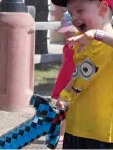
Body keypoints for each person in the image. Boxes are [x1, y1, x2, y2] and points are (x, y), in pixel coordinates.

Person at [51, 0, 113, 149]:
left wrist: (98, 34)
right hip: (74, 127)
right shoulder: (81, 45)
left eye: (80, 10)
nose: (75, 18)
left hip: (101, 132)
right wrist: (65, 94)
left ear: (103, 8)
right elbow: (80, 75)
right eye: (71, 13)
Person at [50, 11, 76, 144]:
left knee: (68, 108)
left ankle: (64, 133)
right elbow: (63, 63)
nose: (66, 34)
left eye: (69, 32)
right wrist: (58, 80)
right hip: (64, 79)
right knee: (60, 107)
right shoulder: (66, 47)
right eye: (65, 32)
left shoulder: (80, 47)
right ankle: (61, 132)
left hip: (73, 82)